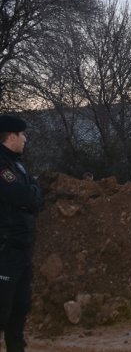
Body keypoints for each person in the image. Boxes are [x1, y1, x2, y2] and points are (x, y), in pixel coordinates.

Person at [0, 115, 43, 352]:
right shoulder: (1, 164)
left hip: (23, 248)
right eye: (23, 134)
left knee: (20, 306)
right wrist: (31, 195)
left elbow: (35, 195)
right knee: (2, 308)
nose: (25, 139)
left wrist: (31, 195)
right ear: (12, 136)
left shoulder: (16, 164)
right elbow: (23, 195)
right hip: (5, 249)